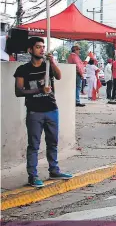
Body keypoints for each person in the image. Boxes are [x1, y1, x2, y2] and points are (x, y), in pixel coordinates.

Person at [14, 37, 73, 188]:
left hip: (52, 109)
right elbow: (19, 91)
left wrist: (52, 62)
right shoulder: (23, 69)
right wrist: (40, 90)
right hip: (35, 112)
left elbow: (59, 76)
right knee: (33, 145)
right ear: (30, 50)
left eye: (43, 47)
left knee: (53, 142)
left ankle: (54, 170)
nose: (42, 49)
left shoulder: (48, 66)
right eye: (38, 47)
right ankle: (32, 176)